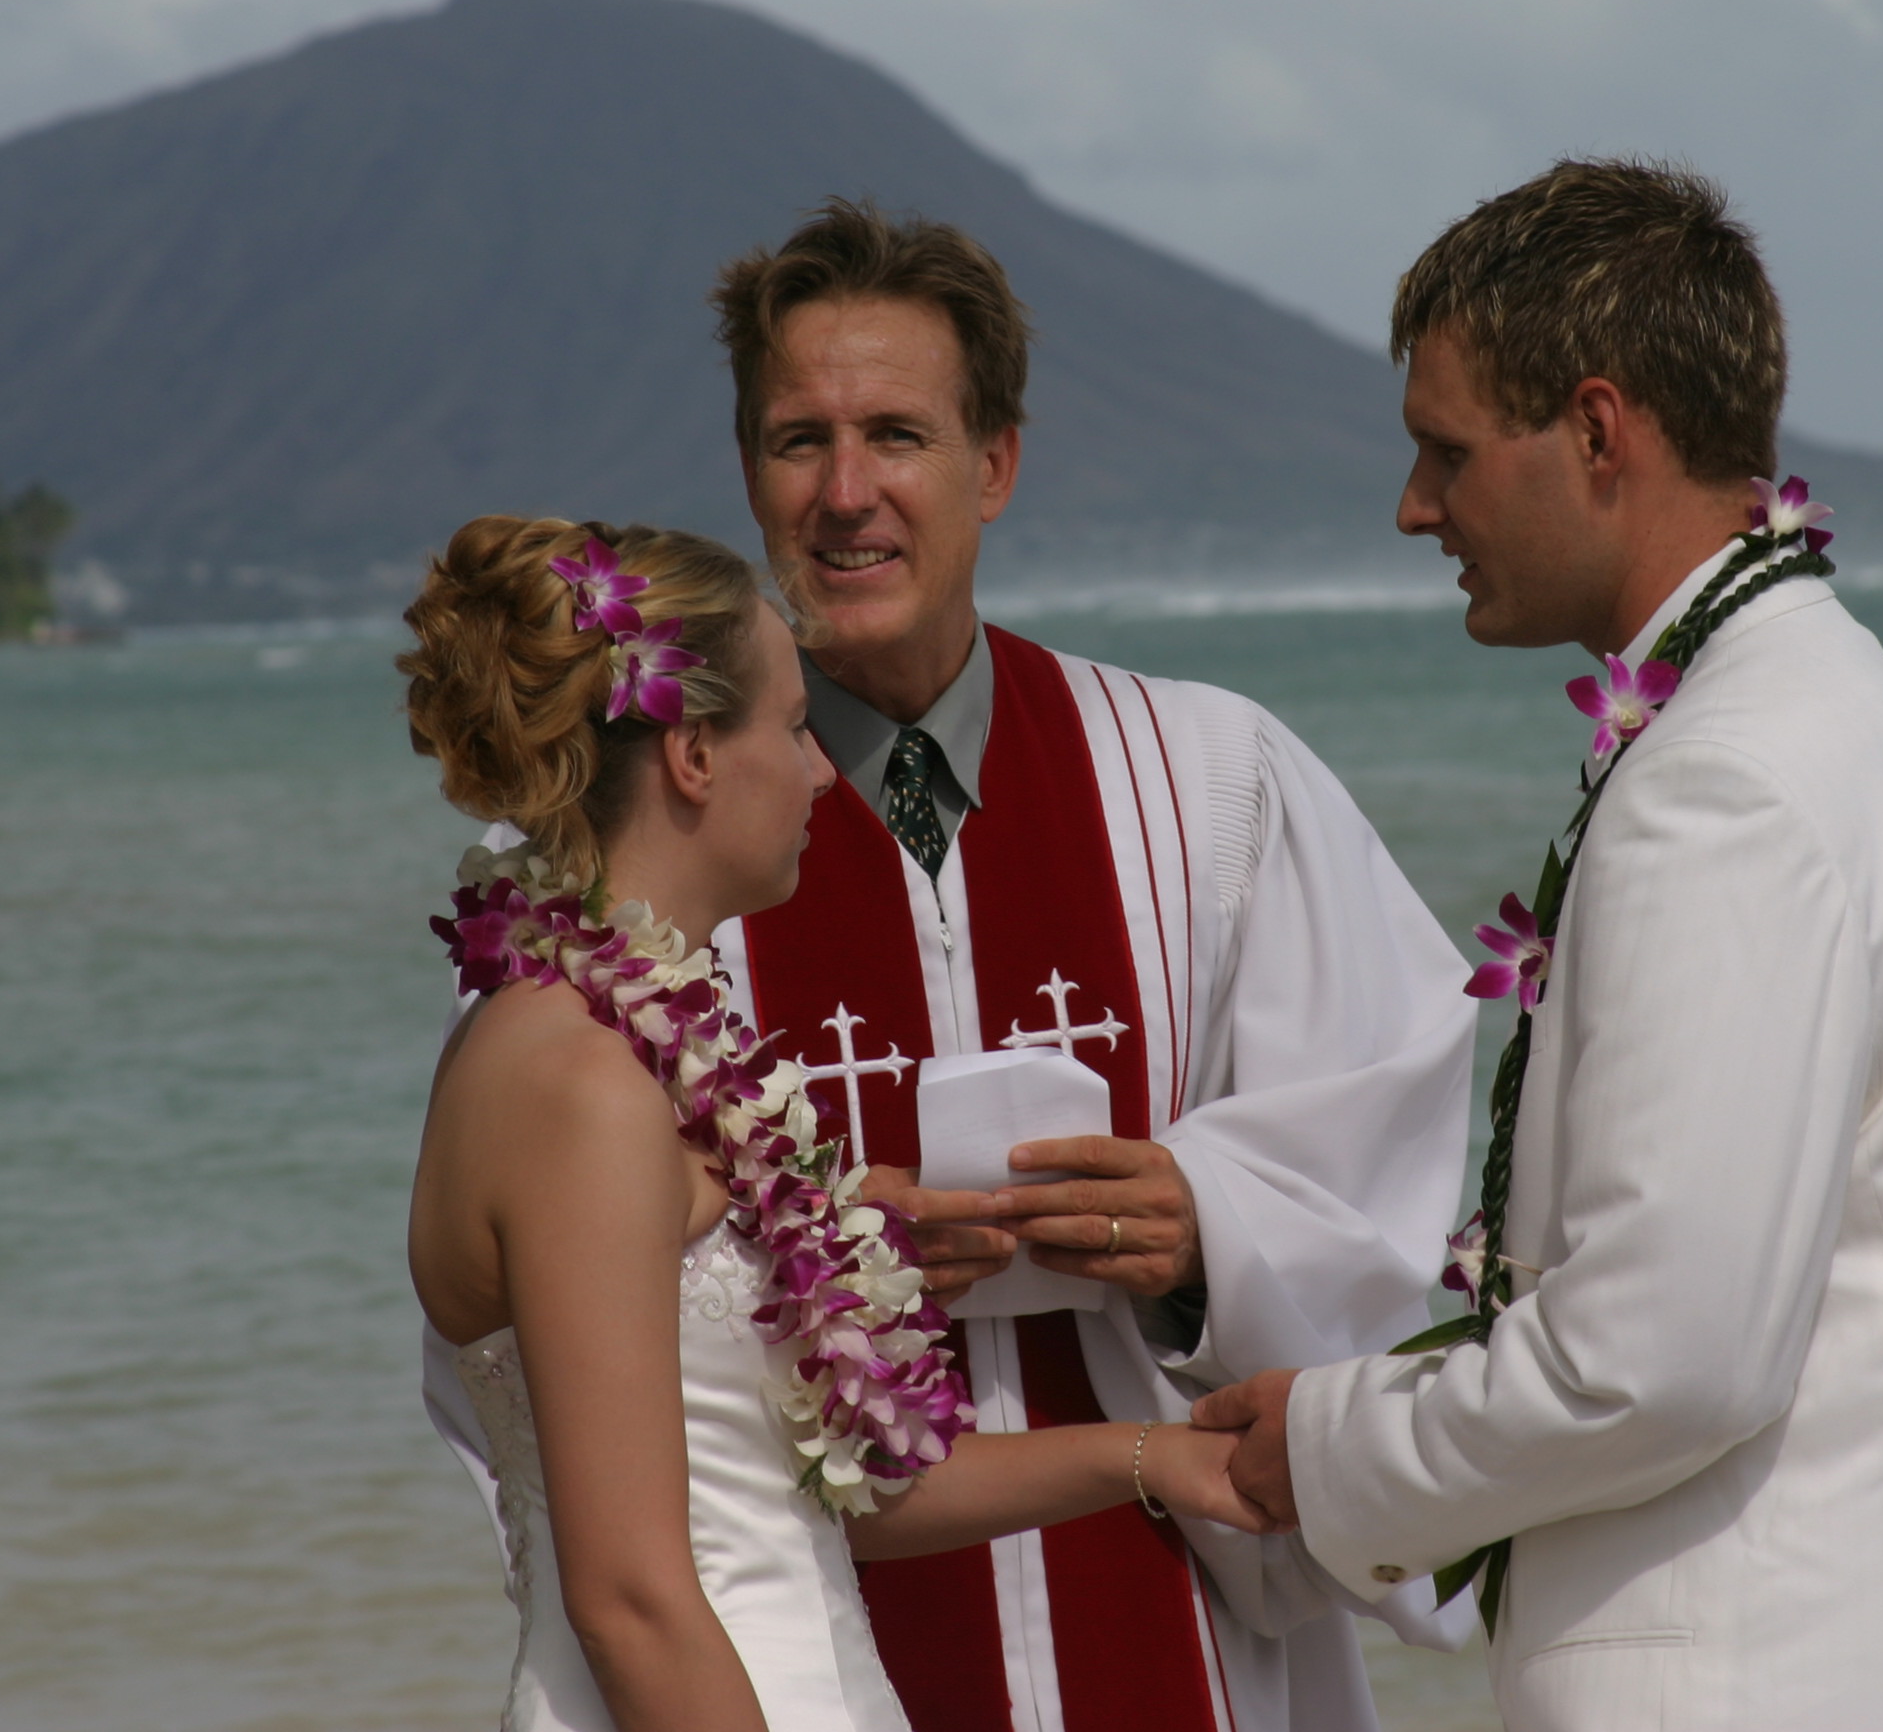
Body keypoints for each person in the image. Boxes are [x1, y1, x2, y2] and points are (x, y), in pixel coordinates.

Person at [1194, 159, 1883, 1729]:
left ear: (1597, 431)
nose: (1416, 507)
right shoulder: (1860, 726)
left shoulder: (1728, 787)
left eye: (1449, 450)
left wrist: (1323, 1447)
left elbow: (1660, 1358)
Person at [706, 201, 1479, 1732]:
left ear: (995, 464)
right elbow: (555, 1278)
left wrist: (1205, 1229)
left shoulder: (1206, 782)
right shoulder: (661, 835)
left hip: (1173, 1602)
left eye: (898, 436)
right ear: (749, 471)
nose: (847, 494)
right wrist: (802, 1269)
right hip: (823, 1650)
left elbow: (1388, 1144)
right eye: (800, 441)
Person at [400, 515, 1273, 1732]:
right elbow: (631, 1599)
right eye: (796, 723)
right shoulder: (580, 1084)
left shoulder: (640, 1044)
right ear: (694, 752)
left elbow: (798, 1494)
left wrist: (1152, 1455)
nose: (822, 771)